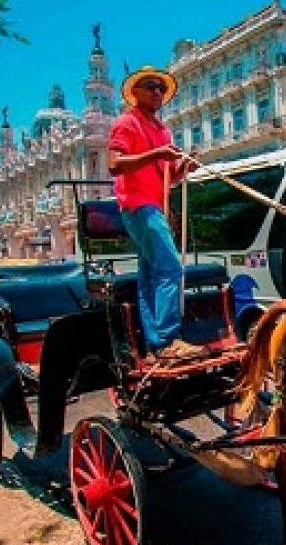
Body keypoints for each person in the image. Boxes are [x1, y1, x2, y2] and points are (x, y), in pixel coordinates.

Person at [108, 66, 208, 362]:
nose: (156, 92)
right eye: (150, 86)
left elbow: (166, 176)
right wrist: (156, 155)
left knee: (151, 275)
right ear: (134, 93)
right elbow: (115, 164)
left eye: (160, 89)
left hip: (155, 206)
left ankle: (154, 345)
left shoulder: (161, 130)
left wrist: (183, 167)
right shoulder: (126, 122)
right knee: (170, 269)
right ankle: (166, 340)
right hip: (138, 205)